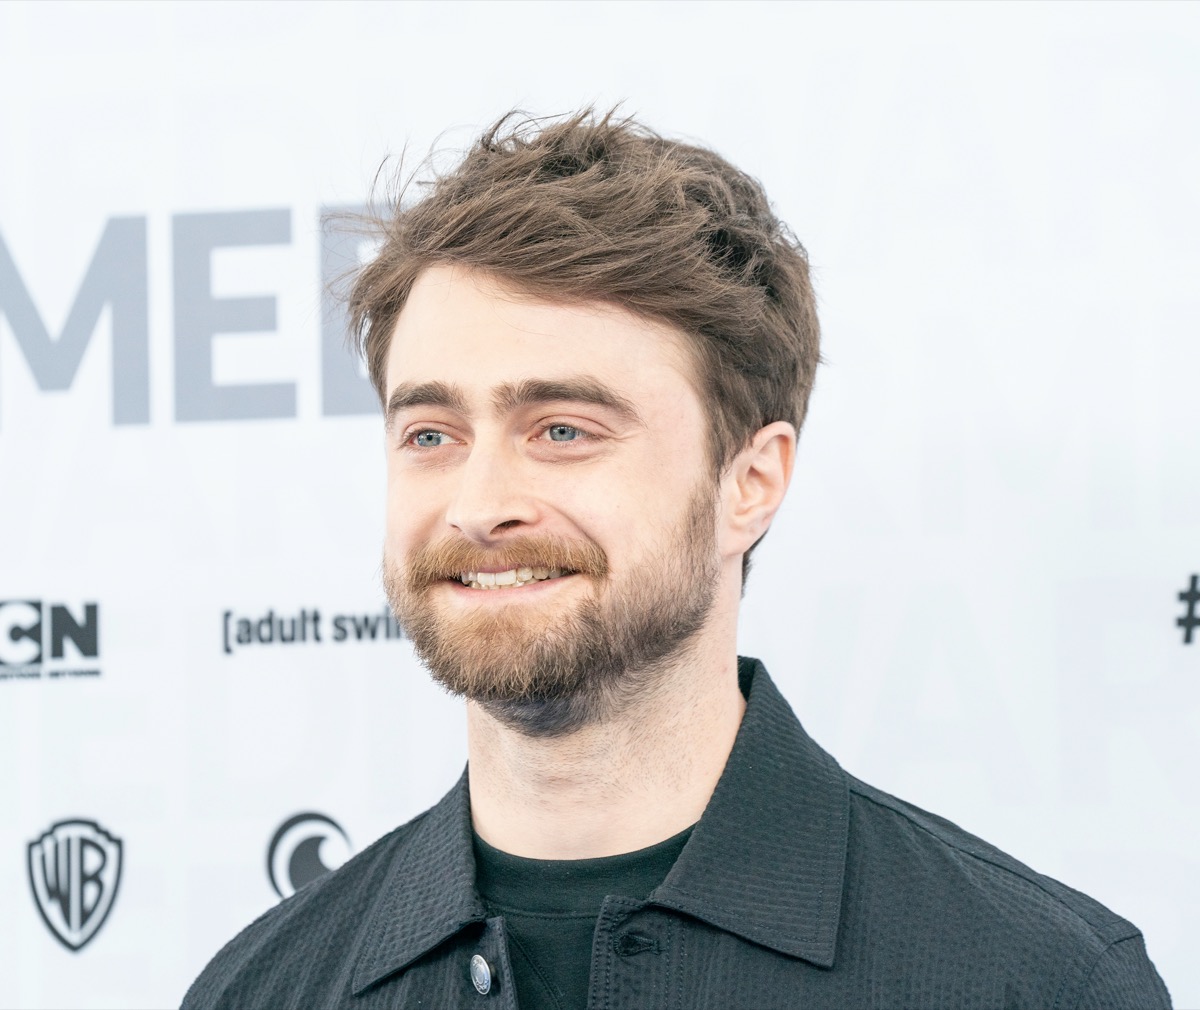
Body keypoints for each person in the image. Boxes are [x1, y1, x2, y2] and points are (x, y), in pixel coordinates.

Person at [182, 110, 1171, 1010]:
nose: (479, 506)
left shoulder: (1037, 980)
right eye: (432, 435)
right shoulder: (260, 990)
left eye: (563, 430)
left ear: (750, 481)